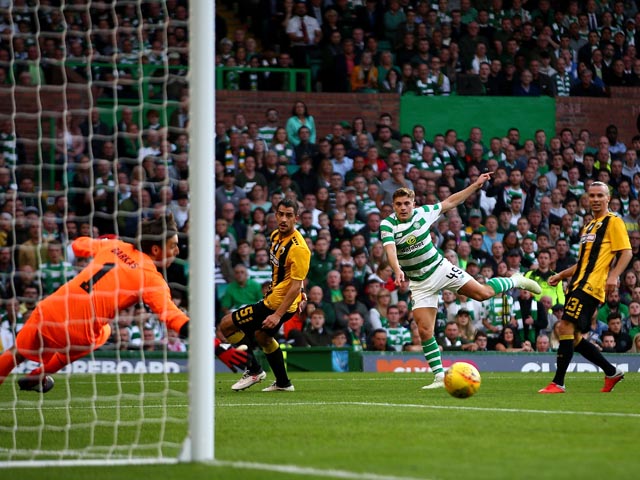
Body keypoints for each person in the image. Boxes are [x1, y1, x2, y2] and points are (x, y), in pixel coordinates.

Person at [0, 214, 248, 393]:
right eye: (173, 246)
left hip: (50, 309)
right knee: (103, 332)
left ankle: (32, 375)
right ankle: (40, 374)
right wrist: (215, 346)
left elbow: (77, 245)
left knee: (16, 353)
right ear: (156, 249)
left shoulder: (115, 245)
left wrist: (106, 240)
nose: (177, 252)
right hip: (78, 331)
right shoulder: (150, 277)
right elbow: (174, 319)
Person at [381, 179, 541, 389]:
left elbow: (450, 202)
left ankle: (516, 280)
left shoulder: (423, 213)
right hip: (420, 283)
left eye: (406, 203)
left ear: (413, 204)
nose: (402, 207)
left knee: (483, 293)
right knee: (425, 330)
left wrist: (474, 186)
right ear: (393, 206)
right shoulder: (388, 224)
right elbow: (390, 249)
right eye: (398, 204)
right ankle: (439, 377)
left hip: (440, 269)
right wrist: (396, 269)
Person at [539, 182, 632, 394]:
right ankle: (611, 372)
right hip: (577, 284)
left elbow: (626, 252)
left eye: (600, 195)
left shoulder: (613, 221)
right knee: (574, 337)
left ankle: (558, 382)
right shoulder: (589, 226)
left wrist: (614, 276)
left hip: (591, 286)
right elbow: (582, 262)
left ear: (608, 198)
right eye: (592, 196)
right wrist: (561, 275)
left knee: (565, 327)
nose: (596, 199)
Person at [219, 199, 311, 392]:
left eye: (289, 215)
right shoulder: (276, 235)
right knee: (263, 337)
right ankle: (283, 383)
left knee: (226, 325)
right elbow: (292, 274)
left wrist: (277, 314)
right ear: (275, 215)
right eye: (280, 214)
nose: (283, 219)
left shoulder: (299, 248)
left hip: (277, 304)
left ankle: (254, 370)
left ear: (296, 218)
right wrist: (301, 293)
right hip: (276, 298)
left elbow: (295, 284)